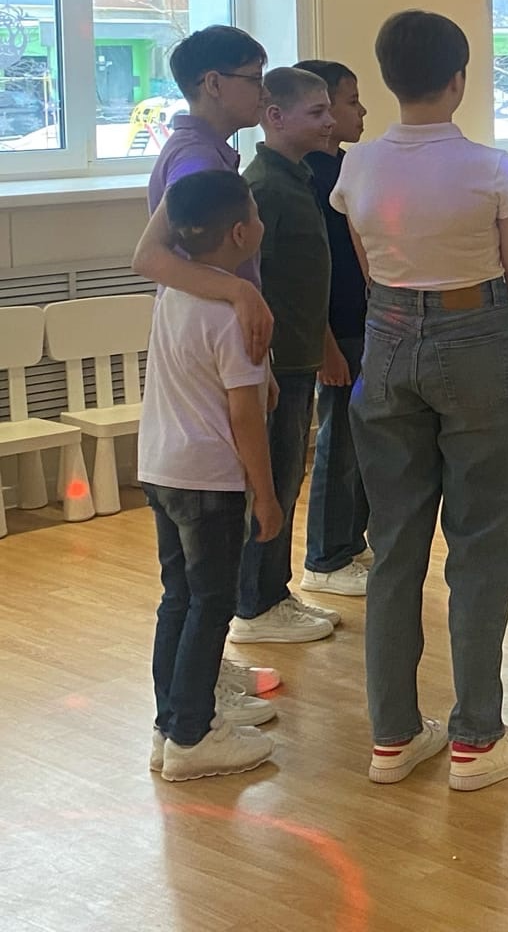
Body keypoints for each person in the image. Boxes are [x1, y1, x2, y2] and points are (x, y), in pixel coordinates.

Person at [333, 11, 508, 792]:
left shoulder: (356, 168)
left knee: (394, 546)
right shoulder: (491, 169)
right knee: (481, 545)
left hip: (386, 341)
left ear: (388, 78)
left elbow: (372, 272)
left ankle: (392, 735)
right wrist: (486, 354)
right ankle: (476, 738)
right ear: (458, 80)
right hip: (477, 336)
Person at [130, 25, 294, 691]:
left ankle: (196, 690)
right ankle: (198, 703)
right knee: (203, 588)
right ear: (213, 84)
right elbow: (152, 256)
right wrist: (240, 294)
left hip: (210, 374)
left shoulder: (209, 152)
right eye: (254, 79)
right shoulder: (197, 161)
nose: (264, 92)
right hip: (207, 412)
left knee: (192, 590)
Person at [140, 170, 280, 781]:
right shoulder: (234, 316)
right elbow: (244, 416)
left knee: (178, 598)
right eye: (256, 213)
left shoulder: (173, 295)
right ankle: (193, 735)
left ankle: (170, 725)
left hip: (160, 468)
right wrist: (266, 496)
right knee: (211, 602)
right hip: (209, 480)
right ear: (241, 233)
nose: (261, 222)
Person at [230, 67, 338, 644]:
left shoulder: (297, 177)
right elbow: (253, 281)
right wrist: (264, 363)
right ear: (275, 117)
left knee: (289, 475)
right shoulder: (265, 187)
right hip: (276, 364)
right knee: (270, 482)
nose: (329, 122)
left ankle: (273, 590)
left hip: (298, 357)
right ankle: (256, 603)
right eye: (316, 112)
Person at [295, 59, 373, 597]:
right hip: (336, 328)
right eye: (350, 102)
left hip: (365, 321)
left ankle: (350, 540)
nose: (360, 111)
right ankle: (324, 556)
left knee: (362, 440)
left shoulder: (349, 167)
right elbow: (309, 269)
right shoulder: (305, 177)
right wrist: (325, 343)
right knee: (338, 443)